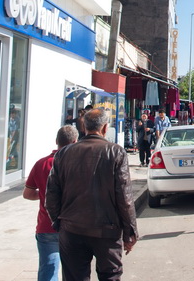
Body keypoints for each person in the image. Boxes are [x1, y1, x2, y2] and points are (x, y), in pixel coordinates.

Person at [46, 108, 138, 281]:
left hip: (72, 229)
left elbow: (51, 195)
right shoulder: (116, 152)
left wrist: (59, 222)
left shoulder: (64, 153)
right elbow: (124, 197)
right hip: (106, 232)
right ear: (104, 128)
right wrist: (130, 232)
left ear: (84, 127)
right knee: (110, 276)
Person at [23, 125, 78, 281]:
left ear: (56, 141)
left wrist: (44, 195)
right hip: (73, 226)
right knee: (74, 271)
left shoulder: (41, 163)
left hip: (46, 225)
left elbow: (27, 194)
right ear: (75, 141)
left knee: (48, 271)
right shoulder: (78, 165)